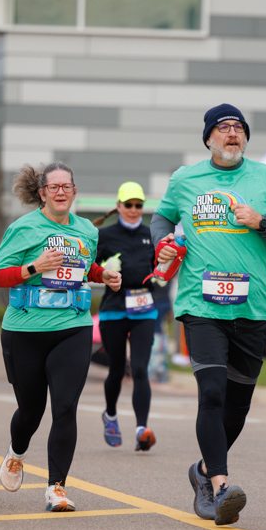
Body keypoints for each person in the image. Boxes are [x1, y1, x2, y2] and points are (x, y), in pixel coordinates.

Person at [151, 103, 266, 526]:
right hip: (201, 306)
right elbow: (161, 218)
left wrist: (262, 222)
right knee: (213, 394)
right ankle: (219, 487)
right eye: (223, 128)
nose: (232, 133)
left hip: (253, 306)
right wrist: (162, 243)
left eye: (238, 128)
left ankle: (201, 471)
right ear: (208, 138)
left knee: (237, 407)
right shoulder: (186, 179)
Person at [0, 161, 122, 512]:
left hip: (73, 327)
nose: (61, 192)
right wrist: (34, 267)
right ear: (42, 193)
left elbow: (84, 267)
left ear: (74, 192)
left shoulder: (87, 232)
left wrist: (102, 275)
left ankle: (56, 488)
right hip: (25, 329)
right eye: (54, 187)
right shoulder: (23, 229)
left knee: (65, 407)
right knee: (31, 411)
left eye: (67, 186)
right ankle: (17, 453)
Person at [94, 181, 158, 452]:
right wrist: (104, 269)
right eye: (129, 205)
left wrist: (164, 272)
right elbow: (90, 269)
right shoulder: (105, 235)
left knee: (141, 369)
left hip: (144, 308)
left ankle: (142, 429)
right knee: (118, 369)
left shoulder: (151, 234)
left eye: (138, 205)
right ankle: (110, 415)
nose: (133, 210)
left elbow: (161, 266)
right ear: (118, 206)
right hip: (115, 310)